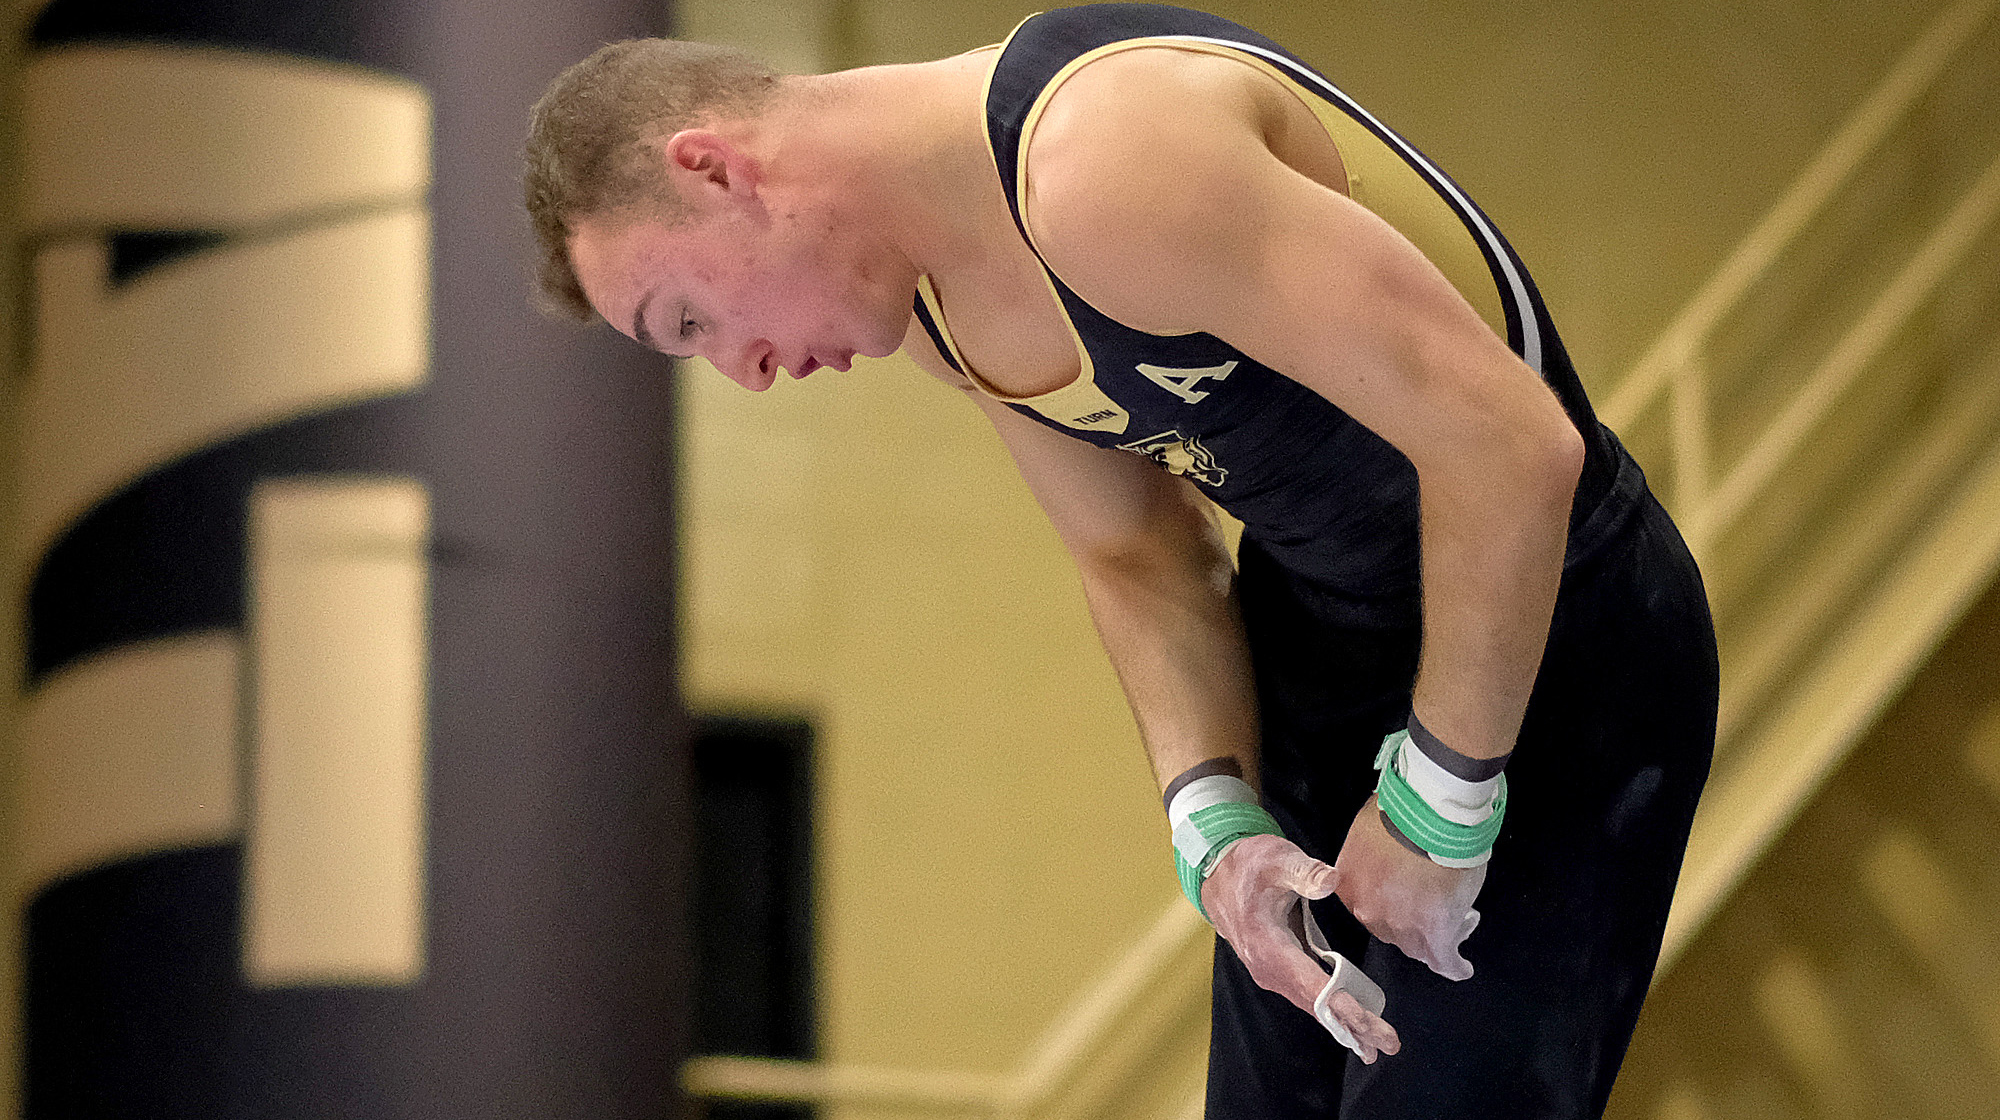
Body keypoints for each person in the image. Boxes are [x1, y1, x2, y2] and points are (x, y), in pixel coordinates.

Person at [523, 5, 1718, 1117]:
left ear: (715, 168)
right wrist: (1213, 820)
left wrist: (1442, 797)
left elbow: (1510, 447)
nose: (743, 371)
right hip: (1324, 640)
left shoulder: (1102, 161)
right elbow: (1133, 551)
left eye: (688, 320)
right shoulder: (935, 309)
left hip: (1555, 635)